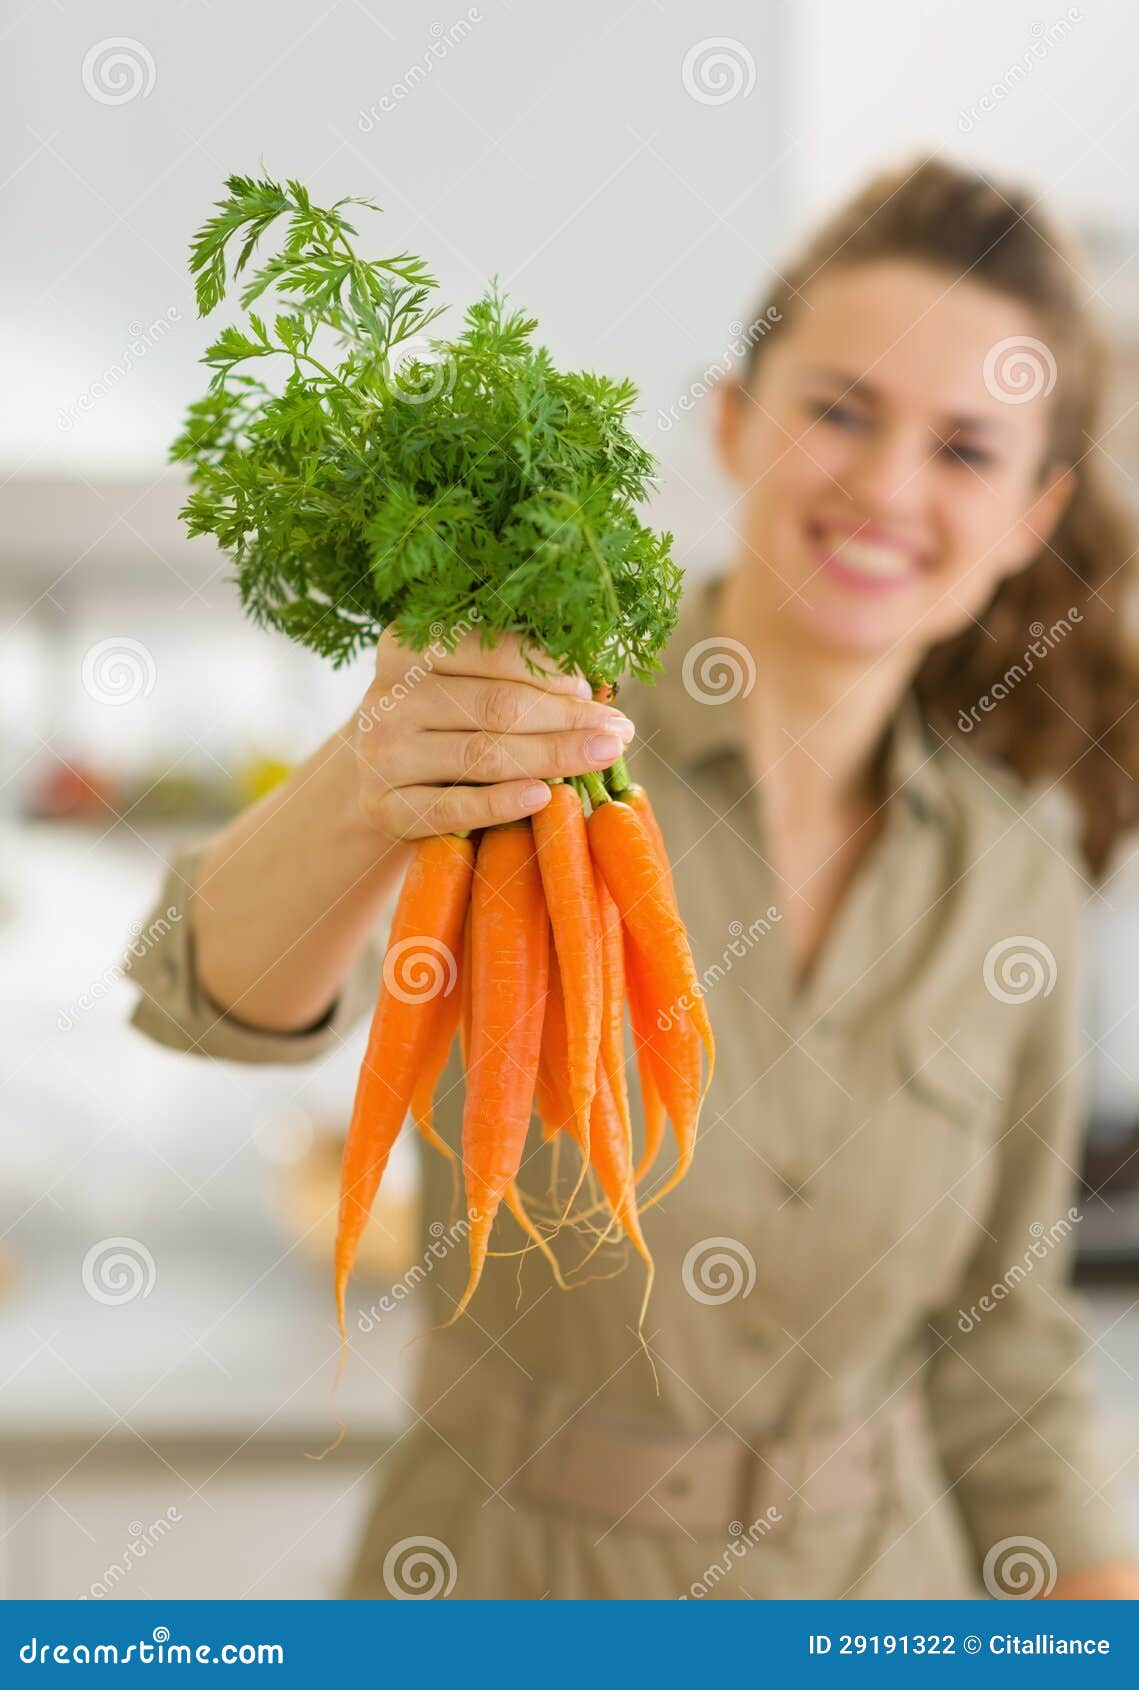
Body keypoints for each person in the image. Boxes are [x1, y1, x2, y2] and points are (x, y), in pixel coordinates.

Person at [126, 157, 1139, 1599]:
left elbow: (1004, 1346)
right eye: (841, 412)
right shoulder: (528, 719)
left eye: (966, 450)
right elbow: (205, 995)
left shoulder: (1017, 868)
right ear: (733, 422)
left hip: (869, 1593)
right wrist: (370, 777)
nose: (886, 487)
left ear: (1034, 513)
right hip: (503, 1579)